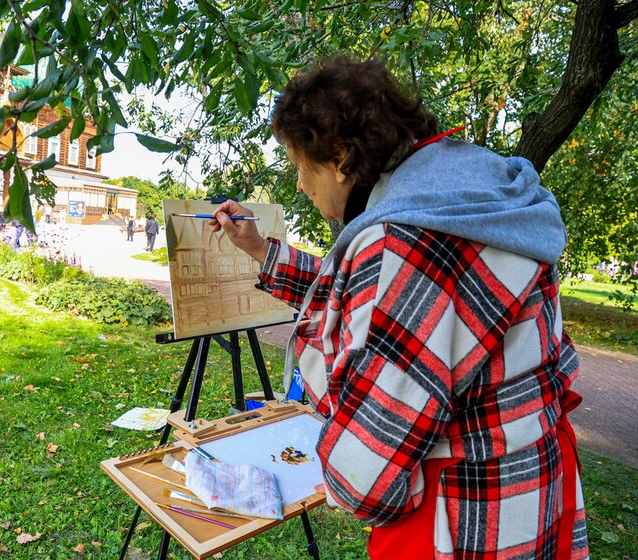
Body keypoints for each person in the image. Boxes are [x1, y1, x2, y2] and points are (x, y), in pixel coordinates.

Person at [210, 54, 587, 559]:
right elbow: (376, 308)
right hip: (533, 486)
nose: (300, 185)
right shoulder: (470, 195)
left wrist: (339, 461)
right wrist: (261, 249)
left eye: (302, 166)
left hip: (467, 518)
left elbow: (366, 477)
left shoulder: (408, 243)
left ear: (342, 158)